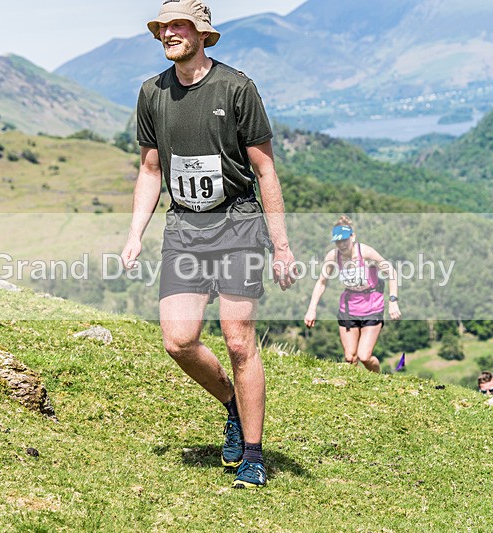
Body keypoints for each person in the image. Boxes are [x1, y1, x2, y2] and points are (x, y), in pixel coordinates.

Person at [120, 0, 296, 489]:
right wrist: (135, 232)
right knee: (178, 340)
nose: (169, 34)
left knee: (239, 340)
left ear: (202, 33)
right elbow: (151, 169)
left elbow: (265, 170)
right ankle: (232, 406)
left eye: (179, 26)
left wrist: (281, 246)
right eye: (163, 27)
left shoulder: (237, 88)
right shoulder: (151, 92)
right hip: (183, 230)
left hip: (238, 226)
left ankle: (255, 456)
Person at [304, 216, 401, 371]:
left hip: (372, 306)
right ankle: (354, 389)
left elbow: (392, 272)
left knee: (364, 357)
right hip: (349, 307)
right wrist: (311, 309)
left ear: (353, 237)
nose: (341, 245)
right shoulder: (333, 256)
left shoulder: (366, 253)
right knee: (350, 358)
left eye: (344, 240)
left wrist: (393, 300)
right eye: (338, 241)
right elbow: (322, 282)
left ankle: (378, 381)